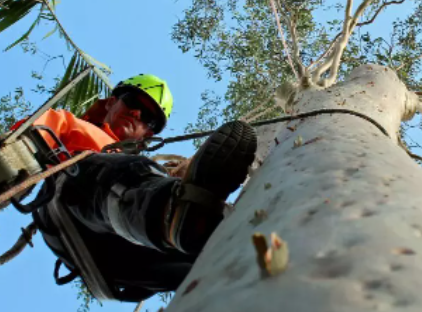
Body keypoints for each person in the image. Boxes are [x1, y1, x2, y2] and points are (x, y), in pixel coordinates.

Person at [25, 74, 257, 302]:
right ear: (111, 102)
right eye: (133, 102)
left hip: (132, 254)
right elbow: (20, 145)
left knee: (212, 264)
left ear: (147, 135)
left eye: (149, 119)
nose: (137, 114)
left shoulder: (139, 169)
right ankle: (171, 212)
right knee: (111, 170)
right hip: (71, 213)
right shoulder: (69, 125)